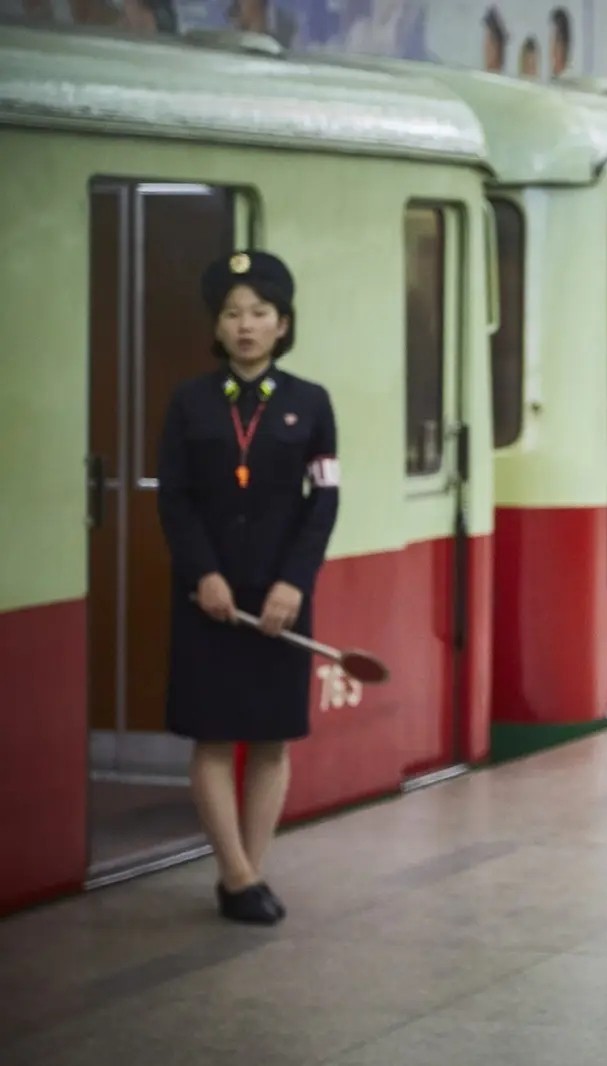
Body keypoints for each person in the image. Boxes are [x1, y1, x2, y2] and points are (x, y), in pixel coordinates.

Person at [156, 249, 339, 925]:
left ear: (282, 323)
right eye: (233, 313)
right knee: (210, 737)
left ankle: (249, 873)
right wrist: (202, 573)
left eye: (259, 313)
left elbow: (324, 501)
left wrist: (294, 582)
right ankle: (236, 877)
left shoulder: (309, 404)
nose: (245, 325)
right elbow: (173, 499)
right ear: (219, 324)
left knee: (270, 737)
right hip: (208, 599)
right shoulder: (189, 402)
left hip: (279, 600)